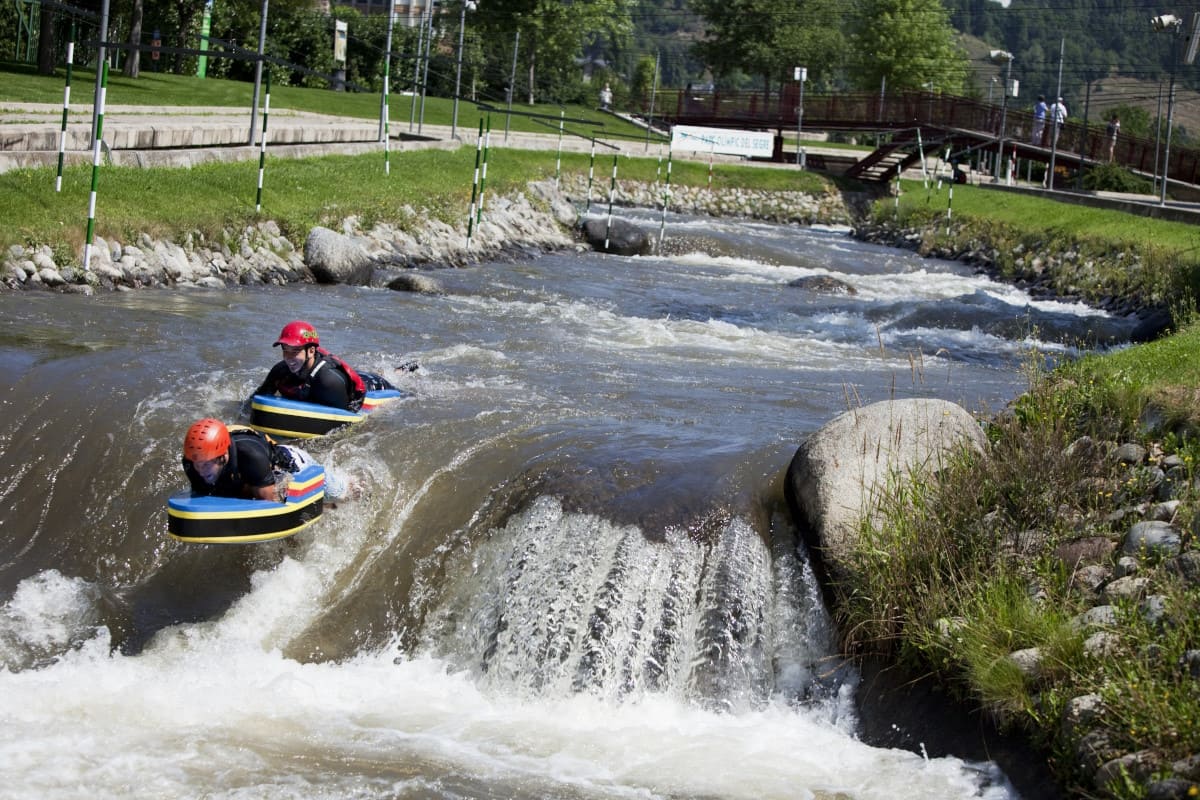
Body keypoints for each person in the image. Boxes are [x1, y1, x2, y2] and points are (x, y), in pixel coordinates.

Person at [251, 320, 398, 412]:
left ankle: (400, 371)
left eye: (295, 351)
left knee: (402, 390)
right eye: (285, 351)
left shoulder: (327, 381)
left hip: (372, 385)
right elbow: (256, 399)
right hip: (343, 378)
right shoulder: (280, 371)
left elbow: (347, 417)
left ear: (311, 351)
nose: (289, 358)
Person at [181, 417, 340, 501]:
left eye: (207, 464)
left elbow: (269, 505)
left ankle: (359, 486)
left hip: (295, 465)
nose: (201, 471)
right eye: (198, 464)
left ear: (223, 457)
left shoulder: (251, 457)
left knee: (339, 494)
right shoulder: (191, 461)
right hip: (254, 473)